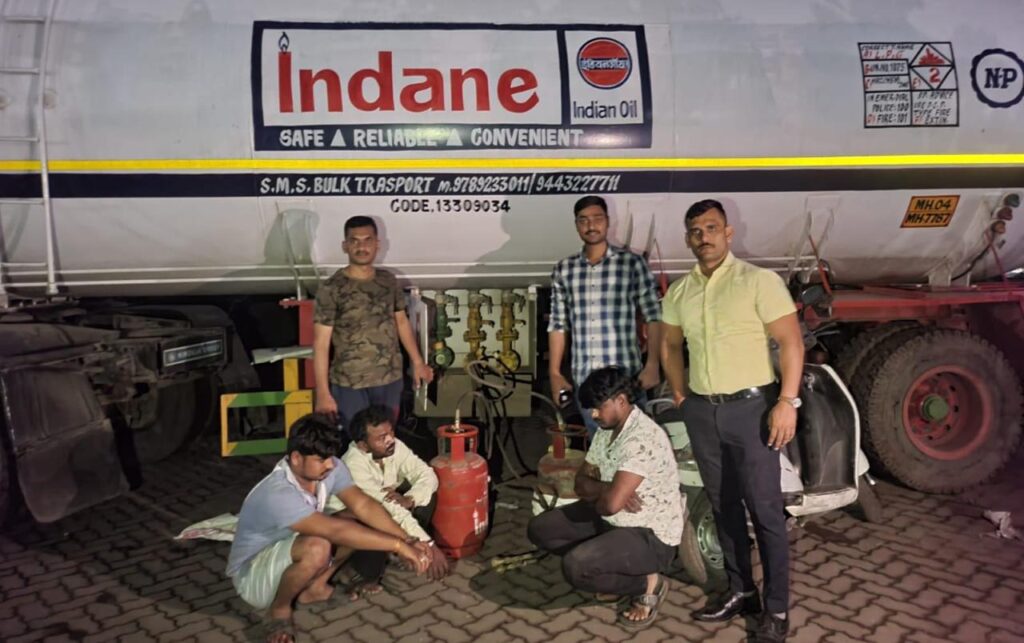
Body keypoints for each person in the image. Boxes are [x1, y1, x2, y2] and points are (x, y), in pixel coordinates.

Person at [660, 199, 805, 642]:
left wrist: (787, 401)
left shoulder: (758, 281)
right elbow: (669, 345)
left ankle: (776, 609)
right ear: (688, 238)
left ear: (728, 233)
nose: (703, 237)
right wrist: (681, 394)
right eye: (695, 230)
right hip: (703, 411)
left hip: (752, 411)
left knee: (765, 510)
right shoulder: (679, 292)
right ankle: (742, 591)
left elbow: (791, 342)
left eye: (711, 228)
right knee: (723, 506)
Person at [226, 413, 432, 643]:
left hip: (288, 547)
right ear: (296, 458)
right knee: (319, 545)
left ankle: (314, 588)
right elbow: (336, 531)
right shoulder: (278, 493)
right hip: (253, 575)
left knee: (356, 518)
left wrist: (408, 539)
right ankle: (279, 610)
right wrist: (398, 546)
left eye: (330, 458)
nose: (330, 465)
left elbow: (363, 505)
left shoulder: (330, 467)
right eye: (321, 459)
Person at [527, 366, 683, 630]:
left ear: (621, 400)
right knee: (540, 529)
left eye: (598, 407)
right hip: (611, 517)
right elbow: (580, 483)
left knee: (576, 566)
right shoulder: (606, 430)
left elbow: (610, 505)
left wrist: (605, 493)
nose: (593, 414)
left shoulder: (642, 438)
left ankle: (646, 584)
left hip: (648, 534)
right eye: (591, 409)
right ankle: (612, 569)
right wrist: (609, 487)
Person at [548, 195, 663, 436]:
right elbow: (558, 325)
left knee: (636, 448)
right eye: (583, 220)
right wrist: (555, 373)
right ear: (576, 225)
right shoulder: (565, 270)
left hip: (625, 382)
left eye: (597, 219)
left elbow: (654, 316)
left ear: (608, 222)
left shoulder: (631, 264)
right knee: (599, 449)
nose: (591, 225)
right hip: (586, 384)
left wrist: (652, 364)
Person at [313, 215, 433, 432]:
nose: (362, 247)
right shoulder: (332, 288)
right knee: (356, 443)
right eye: (355, 241)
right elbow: (321, 343)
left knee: (385, 440)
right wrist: (322, 392)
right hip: (350, 384)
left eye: (367, 240)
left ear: (377, 244)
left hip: (389, 380)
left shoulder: (388, 281)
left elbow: (401, 322)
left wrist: (417, 362)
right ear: (345, 246)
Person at [336, 404, 449, 580]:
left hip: (388, 508)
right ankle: (363, 575)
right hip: (348, 524)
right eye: (381, 438)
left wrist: (410, 499)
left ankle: (404, 552)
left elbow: (427, 475)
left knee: (425, 496)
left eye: (391, 432)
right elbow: (384, 509)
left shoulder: (395, 446)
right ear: (363, 445)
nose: (390, 440)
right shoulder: (353, 464)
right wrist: (429, 544)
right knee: (378, 520)